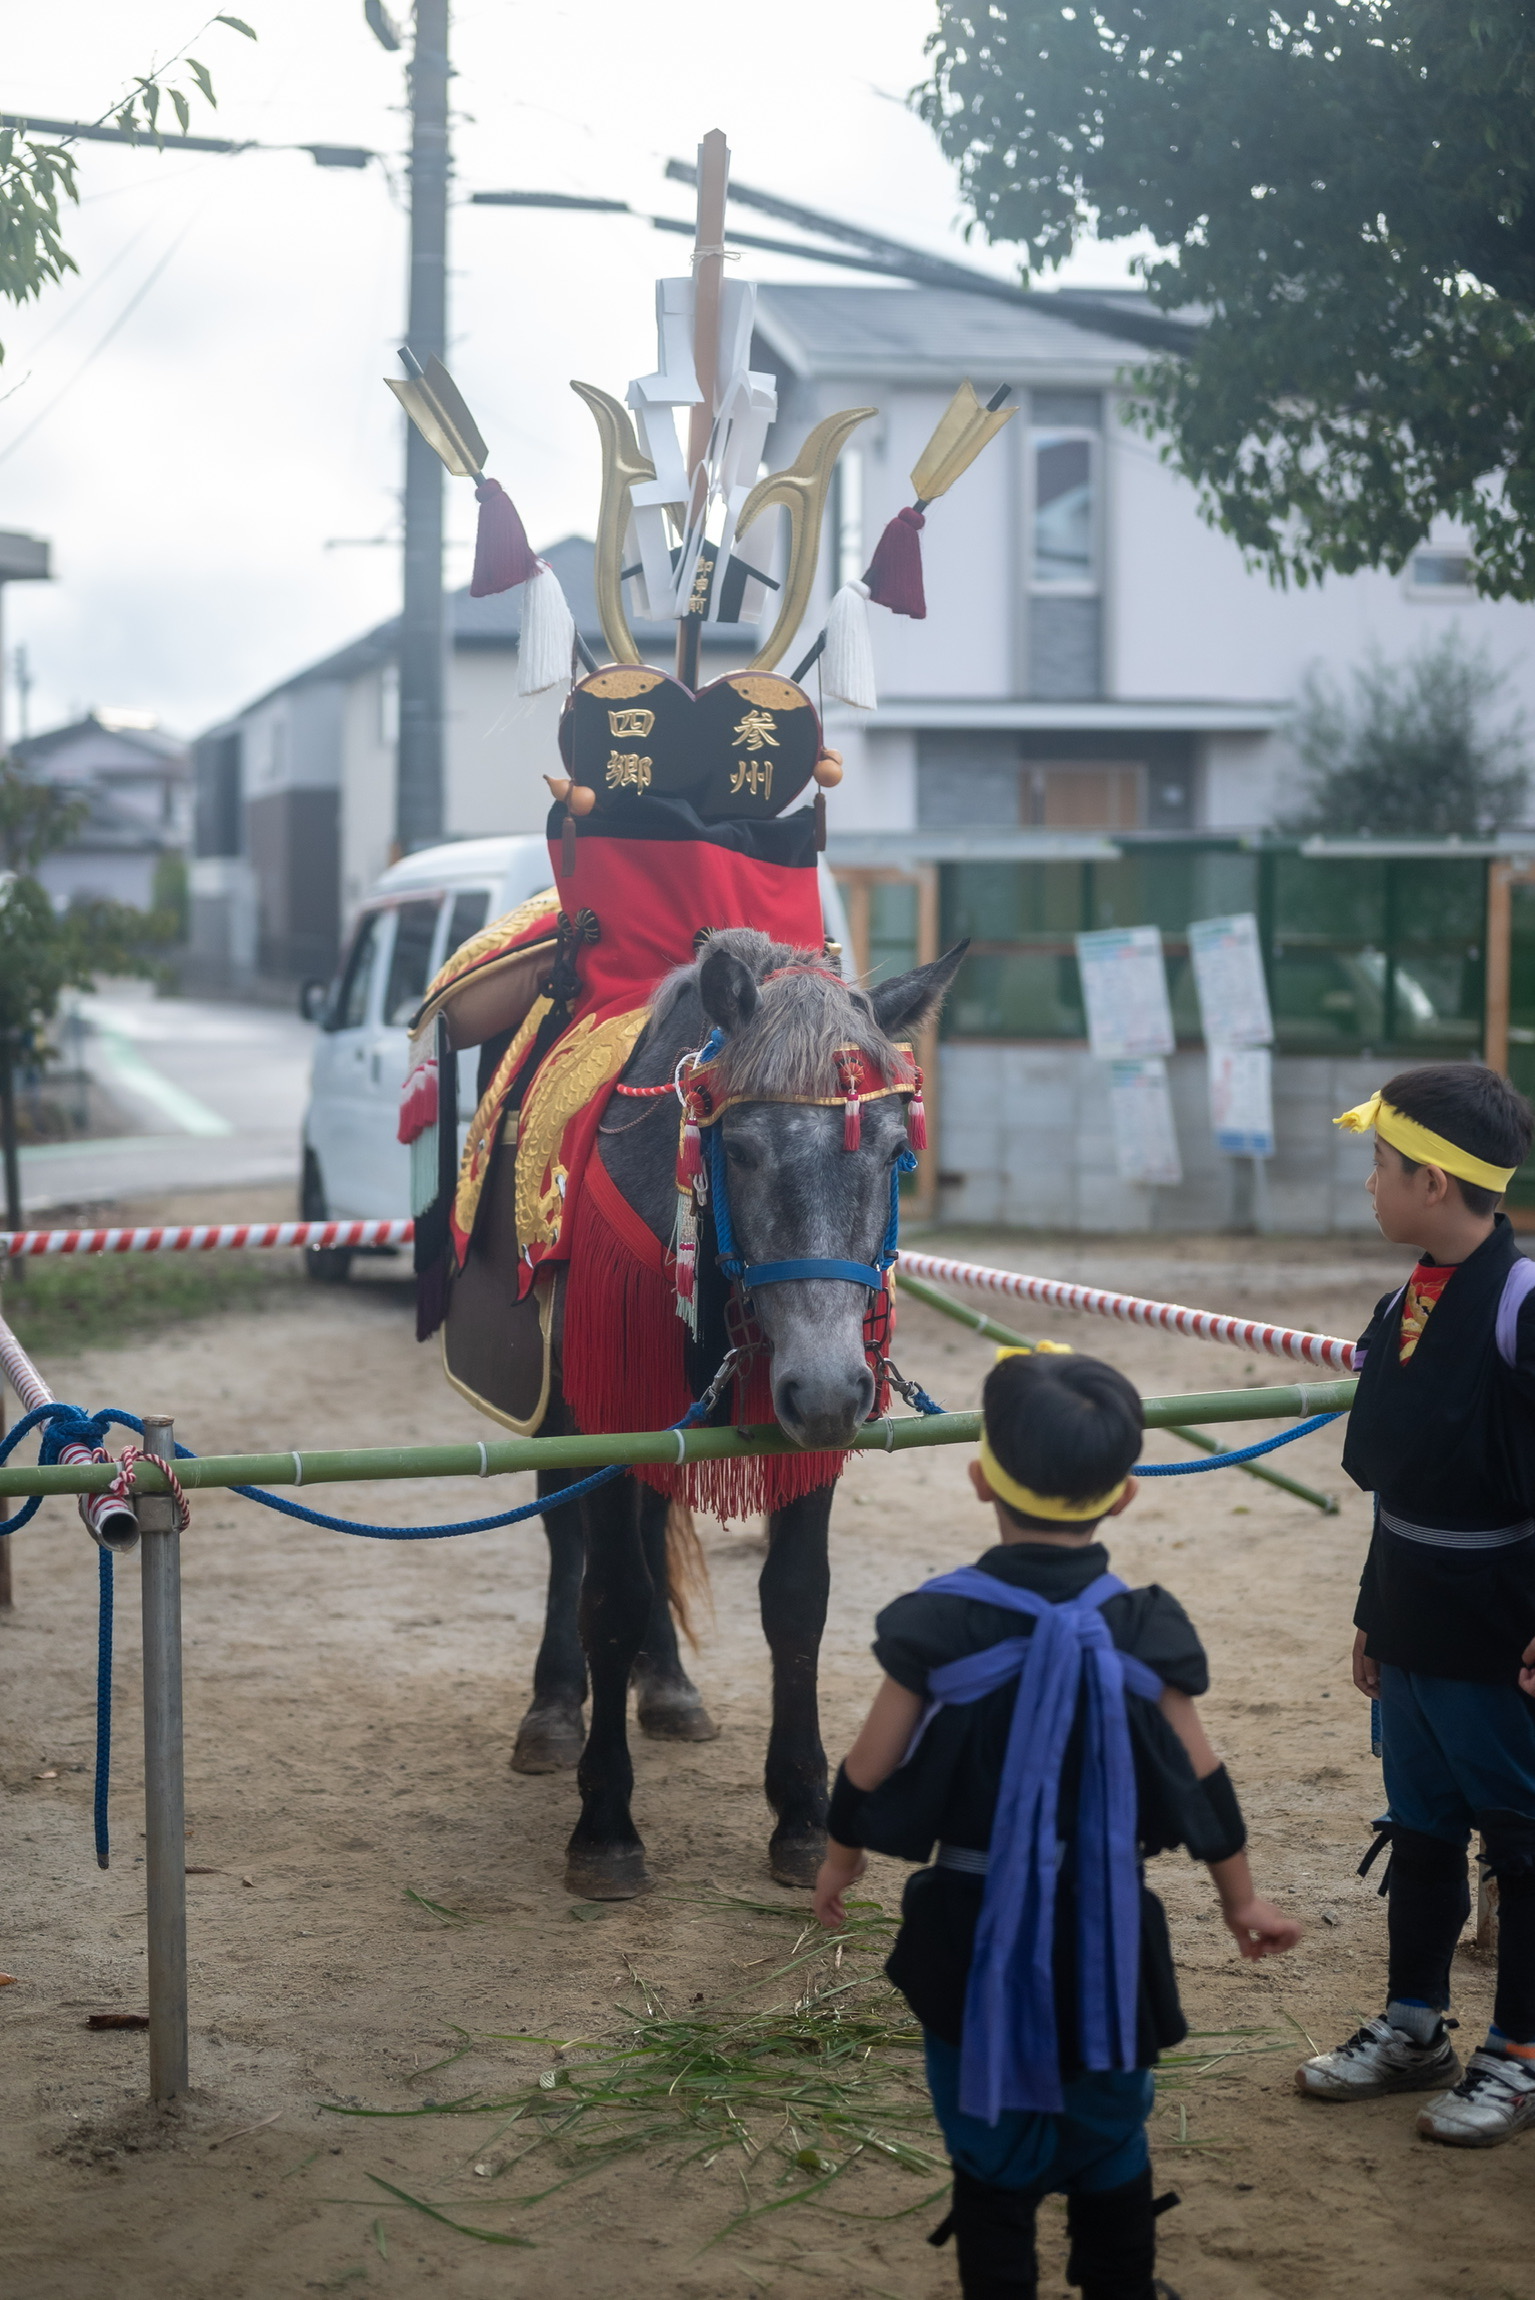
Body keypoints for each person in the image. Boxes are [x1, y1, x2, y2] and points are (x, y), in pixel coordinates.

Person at [814, 1350, 1300, 2300]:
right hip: (1107, 1934)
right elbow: (1202, 1779)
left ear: (979, 1478)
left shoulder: (937, 1625)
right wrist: (1241, 1900)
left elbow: (869, 1767)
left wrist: (840, 1856)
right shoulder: (1143, 1630)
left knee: (988, 2147)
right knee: (1111, 2136)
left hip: (967, 1932)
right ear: (1124, 1495)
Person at [1296, 1063, 1535, 2146]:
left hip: (1496, 1624)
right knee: (1423, 1823)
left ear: (1431, 1181)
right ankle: (1412, 2027)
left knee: (1519, 1837)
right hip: (1409, 1611)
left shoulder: (1519, 1304)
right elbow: (1396, 1480)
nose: (1368, 1183)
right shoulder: (1406, 1296)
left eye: (1380, 1164)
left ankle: (1517, 2054)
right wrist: (1370, 1605)